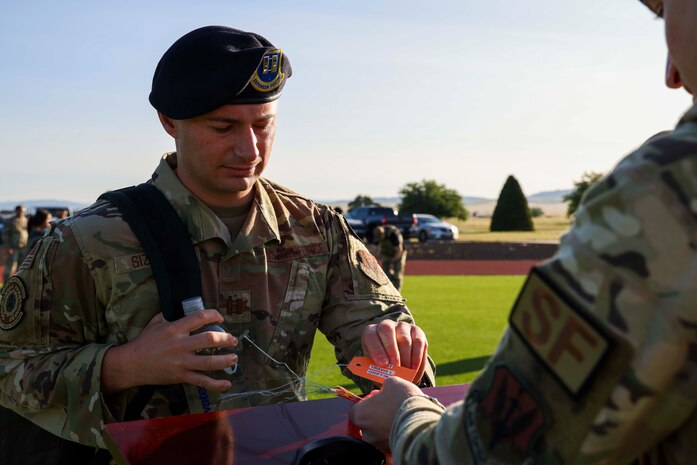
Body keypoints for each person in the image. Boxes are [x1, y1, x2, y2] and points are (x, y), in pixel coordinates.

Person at [0, 26, 434, 456]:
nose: (250, 150)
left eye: (263, 125)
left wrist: (394, 351)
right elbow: (9, 366)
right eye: (224, 127)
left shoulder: (315, 228)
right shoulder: (88, 240)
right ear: (170, 123)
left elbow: (380, 328)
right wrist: (124, 365)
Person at [350, 0, 697, 463]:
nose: (671, 73)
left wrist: (405, 416)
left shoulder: (667, 189)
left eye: (667, 13)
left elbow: (489, 455)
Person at [373, 225, 407, 291]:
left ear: (383, 234)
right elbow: (375, 249)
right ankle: (387, 291)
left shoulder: (392, 235)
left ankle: (397, 293)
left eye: (381, 238)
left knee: (397, 274)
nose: (380, 240)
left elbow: (399, 250)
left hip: (399, 253)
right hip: (387, 253)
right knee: (385, 274)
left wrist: (393, 262)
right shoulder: (378, 236)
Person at [1, 204, 28, 283]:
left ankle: (20, 283)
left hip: (23, 247)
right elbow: (5, 234)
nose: (21, 213)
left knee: (23, 267)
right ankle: (6, 284)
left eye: (23, 211)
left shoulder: (25, 220)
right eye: (19, 211)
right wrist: (9, 247)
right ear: (16, 211)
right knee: (11, 267)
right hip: (13, 247)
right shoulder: (11, 221)